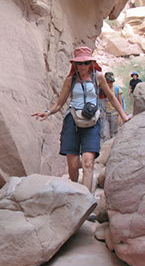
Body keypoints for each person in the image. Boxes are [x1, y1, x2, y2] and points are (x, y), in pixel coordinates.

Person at [32, 46, 130, 192]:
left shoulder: (98, 77)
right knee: (72, 166)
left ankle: (87, 200)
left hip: (92, 122)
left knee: (88, 163)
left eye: (85, 63)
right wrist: (47, 112)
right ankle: (75, 193)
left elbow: (111, 97)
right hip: (72, 121)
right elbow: (59, 103)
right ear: (74, 64)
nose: (82, 66)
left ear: (91, 63)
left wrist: (123, 115)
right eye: (79, 63)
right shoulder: (70, 80)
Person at [100, 72, 124, 140]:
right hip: (105, 115)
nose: (109, 84)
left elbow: (120, 103)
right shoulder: (101, 90)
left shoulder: (117, 89)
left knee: (114, 134)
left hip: (114, 114)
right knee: (105, 134)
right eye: (108, 82)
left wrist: (120, 115)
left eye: (111, 82)